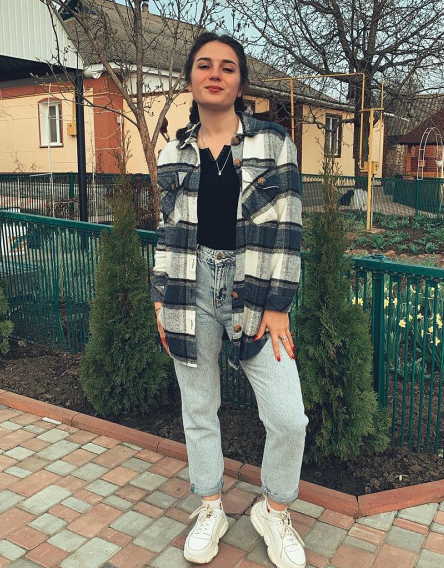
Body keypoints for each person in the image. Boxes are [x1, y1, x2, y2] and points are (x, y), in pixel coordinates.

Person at [151, 31, 308, 568]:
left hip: (254, 289)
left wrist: (279, 304)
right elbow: (167, 232)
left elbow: (288, 226)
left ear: (240, 82)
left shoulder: (274, 144)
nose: (215, 73)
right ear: (190, 79)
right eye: (204, 65)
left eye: (227, 66)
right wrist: (160, 299)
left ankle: (274, 510)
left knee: (288, 417)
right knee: (199, 408)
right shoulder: (173, 152)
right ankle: (211, 507)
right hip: (189, 286)